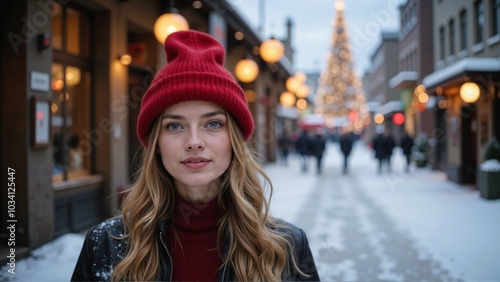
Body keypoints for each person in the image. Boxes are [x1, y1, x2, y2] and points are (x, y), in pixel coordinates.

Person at [71, 30, 319, 282]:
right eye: (175, 126)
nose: (194, 142)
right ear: (156, 143)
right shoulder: (105, 246)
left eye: (212, 124)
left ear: (234, 139)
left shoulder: (286, 247)